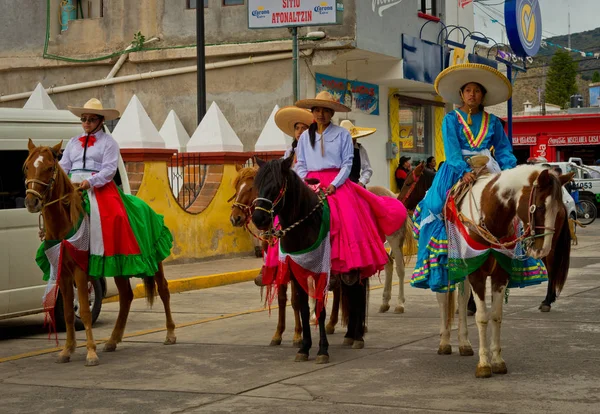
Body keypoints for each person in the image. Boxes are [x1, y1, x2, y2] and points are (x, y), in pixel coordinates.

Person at [412, 63, 524, 292]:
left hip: (488, 167)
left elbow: (503, 149)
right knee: (434, 205)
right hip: (457, 168)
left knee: (511, 208)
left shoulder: (492, 121)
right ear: (461, 94)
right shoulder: (451, 119)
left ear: (483, 95)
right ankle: (438, 258)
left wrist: (508, 170)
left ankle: (517, 255)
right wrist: (464, 171)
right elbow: (452, 149)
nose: (472, 94)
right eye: (468, 90)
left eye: (477, 90)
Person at [36, 98, 172, 280]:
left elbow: (109, 169)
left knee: (114, 216)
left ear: (101, 121)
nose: (86, 123)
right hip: (72, 187)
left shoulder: (109, 142)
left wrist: (90, 182)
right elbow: (64, 166)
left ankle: (109, 252)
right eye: (83, 119)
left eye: (91, 119)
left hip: (98, 187)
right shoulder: (73, 142)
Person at [294, 91, 407, 278]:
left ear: (332, 113)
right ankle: (283, 258)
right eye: (317, 110)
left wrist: (334, 185)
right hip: (310, 182)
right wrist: (307, 184)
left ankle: (345, 266)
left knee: (348, 219)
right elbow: (301, 164)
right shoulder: (305, 137)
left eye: (326, 110)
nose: (321, 114)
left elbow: (347, 164)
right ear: (312, 112)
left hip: (337, 183)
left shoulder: (342, 135)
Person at [258, 106, 314, 287]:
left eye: (304, 128)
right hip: (292, 192)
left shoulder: (314, 147)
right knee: (274, 225)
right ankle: (270, 265)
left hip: (313, 186)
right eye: (297, 128)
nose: (300, 132)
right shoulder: (289, 152)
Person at [340, 120, 375, 188]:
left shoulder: (360, 149)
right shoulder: (335, 149)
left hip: (356, 185)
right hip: (339, 186)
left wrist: (361, 182)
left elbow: (368, 169)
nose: (353, 141)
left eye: (354, 139)